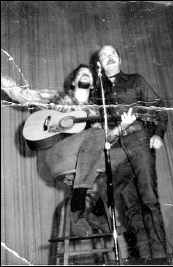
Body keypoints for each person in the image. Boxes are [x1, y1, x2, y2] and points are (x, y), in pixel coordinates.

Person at [1, 64, 136, 236]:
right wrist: (4, 81)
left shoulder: (95, 111)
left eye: (89, 73)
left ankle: (98, 213)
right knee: (96, 133)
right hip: (58, 153)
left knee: (132, 155)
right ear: (73, 81)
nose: (86, 74)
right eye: (82, 73)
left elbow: (105, 140)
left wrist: (122, 126)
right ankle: (77, 208)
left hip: (86, 156)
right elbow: (23, 95)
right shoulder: (58, 97)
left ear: (94, 84)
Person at [90, 45, 168, 262]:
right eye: (104, 56)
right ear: (100, 65)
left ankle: (160, 257)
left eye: (112, 54)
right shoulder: (97, 93)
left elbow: (159, 108)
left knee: (149, 199)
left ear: (120, 59)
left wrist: (158, 134)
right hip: (116, 150)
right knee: (131, 205)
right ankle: (145, 256)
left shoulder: (136, 80)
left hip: (139, 143)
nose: (109, 58)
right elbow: (97, 127)